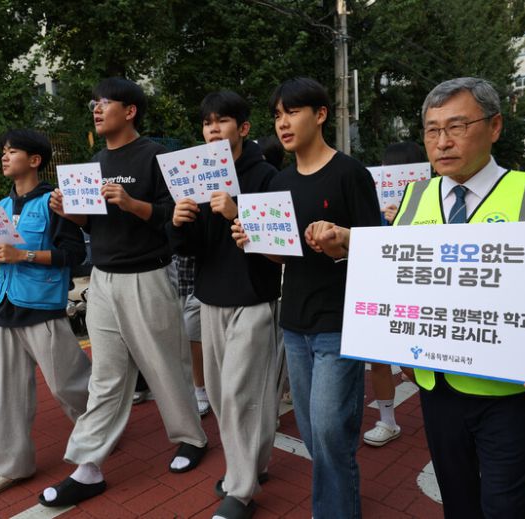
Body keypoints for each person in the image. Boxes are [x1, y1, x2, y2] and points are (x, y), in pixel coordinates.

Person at [307, 77, 525, 519]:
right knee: (458, 502)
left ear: (494, 126)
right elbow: (396, 268)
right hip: (437, 388)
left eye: (457, 127)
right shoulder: (415, 196)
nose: (442, 142)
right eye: (432, 130)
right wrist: (347, 242)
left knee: (507, 507)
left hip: (511, 392)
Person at [41, 77, 207, 507]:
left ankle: (191, 439)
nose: (96, 109)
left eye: (106, 103)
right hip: (102, 280)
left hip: (148, 276)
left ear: (130, 111)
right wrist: (71, 214)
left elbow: (177, 216)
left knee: (165, 365)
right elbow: (94, 224)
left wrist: (133, 203)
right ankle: (88, 466)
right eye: (94, 103)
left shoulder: (156, 157)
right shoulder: (95, 161)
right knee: (106, 375)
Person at [232, 78, 380, 519]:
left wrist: (340, 243)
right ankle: (340, 498)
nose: (283, 123)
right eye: (277, 115)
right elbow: (284, 255)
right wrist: (254, 240)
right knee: (316, 433)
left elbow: (376, 249)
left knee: (333, 429)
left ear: (319, 115)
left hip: (340, 322)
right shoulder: (280, 181)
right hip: (294, 322)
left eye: (292, 112)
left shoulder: (350, 173)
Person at [169, 90, 282, 519]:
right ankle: (254, 465)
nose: (213, 130)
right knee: (220, 394)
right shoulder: (198, 177)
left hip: (254, 296)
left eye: (222, 122)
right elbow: (191, 247)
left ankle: (240, 490)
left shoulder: (266, 176)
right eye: (206, 123)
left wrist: (238, 213)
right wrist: (179, 223)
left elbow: (277, 244)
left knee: (241, 394)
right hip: (211, 295)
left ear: (243, 128)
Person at [0, 129, 91, 498]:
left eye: (12, 151)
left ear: (35, 160)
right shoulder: (1, 209)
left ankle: (98, 434)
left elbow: (74, 256)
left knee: (70, 386)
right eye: (3, 152)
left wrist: (23, 255)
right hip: (6, 310)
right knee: (1, 396)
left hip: (43, 310)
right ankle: (9, 467)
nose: (4, 157)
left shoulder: (53, 202)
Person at [362, 141, 427, 448]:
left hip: (419, 293)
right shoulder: (375, 205)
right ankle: (387, 420)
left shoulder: (433, 203)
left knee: (416, 363)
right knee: (378, 359)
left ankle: (440, 407)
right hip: (383, 288)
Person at [168, 254, 211, 416]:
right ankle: (192, 386)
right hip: (171, 279)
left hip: (199, 281)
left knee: (192, 336)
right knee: (177, 337)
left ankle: (200, 388)